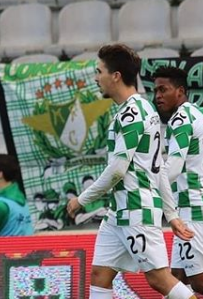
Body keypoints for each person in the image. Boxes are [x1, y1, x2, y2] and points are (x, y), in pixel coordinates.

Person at [66, 44, 196, 299]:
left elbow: (117, 170)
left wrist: (82, 200)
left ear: (115, 76)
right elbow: (158, 168)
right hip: (118, 213)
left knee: (159, 279)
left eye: (99, 71)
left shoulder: (133, 113)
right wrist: (171, 214)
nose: (96, 77)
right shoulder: (138, 110)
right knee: (99, 276)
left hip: (136, 210)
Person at [154, 66, 203, 294]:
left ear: (180, 91)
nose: (158, 96)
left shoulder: (181, 119)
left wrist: (146, 186)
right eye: (155, 91)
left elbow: (173, 166)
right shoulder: (195, 114)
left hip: (191, 210)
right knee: (176, 279)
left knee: (198, 283)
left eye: (164, 90)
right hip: (186, 208)